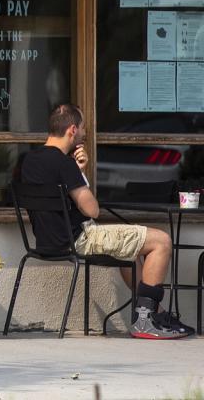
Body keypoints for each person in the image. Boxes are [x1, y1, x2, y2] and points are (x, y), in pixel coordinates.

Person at [21, 103, 193, 339]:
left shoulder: (29, 161)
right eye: (82, 128)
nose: (84, 133)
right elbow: (92, 210)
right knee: (161, 241)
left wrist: (76, 170)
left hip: (46, 241)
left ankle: (152, 311)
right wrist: (79, 171)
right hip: (79, 239)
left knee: (127, 250)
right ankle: (145, 321)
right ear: (72, 130)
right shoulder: (64, 163)